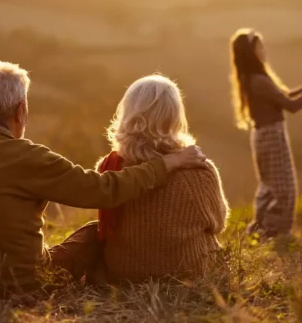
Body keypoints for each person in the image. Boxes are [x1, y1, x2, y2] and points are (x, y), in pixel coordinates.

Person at [0, 61, 208, 297]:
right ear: (21, 110)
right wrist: (166, 164)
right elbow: (102, 190)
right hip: (16, 284)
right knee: (92, 233)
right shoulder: (30, 159)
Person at [96, 75, 229, 283]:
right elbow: (218, 224)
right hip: (189, 273)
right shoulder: (199, 170)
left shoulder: (109, 167)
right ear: (176, 118)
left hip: (123, 274)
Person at [229, 28, 302, 238]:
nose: (264, 50)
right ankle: (273, 231)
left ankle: (260, 229)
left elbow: (284, 94)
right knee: (285, 187)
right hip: (272, 136)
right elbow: (291, 104)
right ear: (251, 52)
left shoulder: (252, 79)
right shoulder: (259, 80)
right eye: (259, 47)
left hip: (263, 136)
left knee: (270, 185)